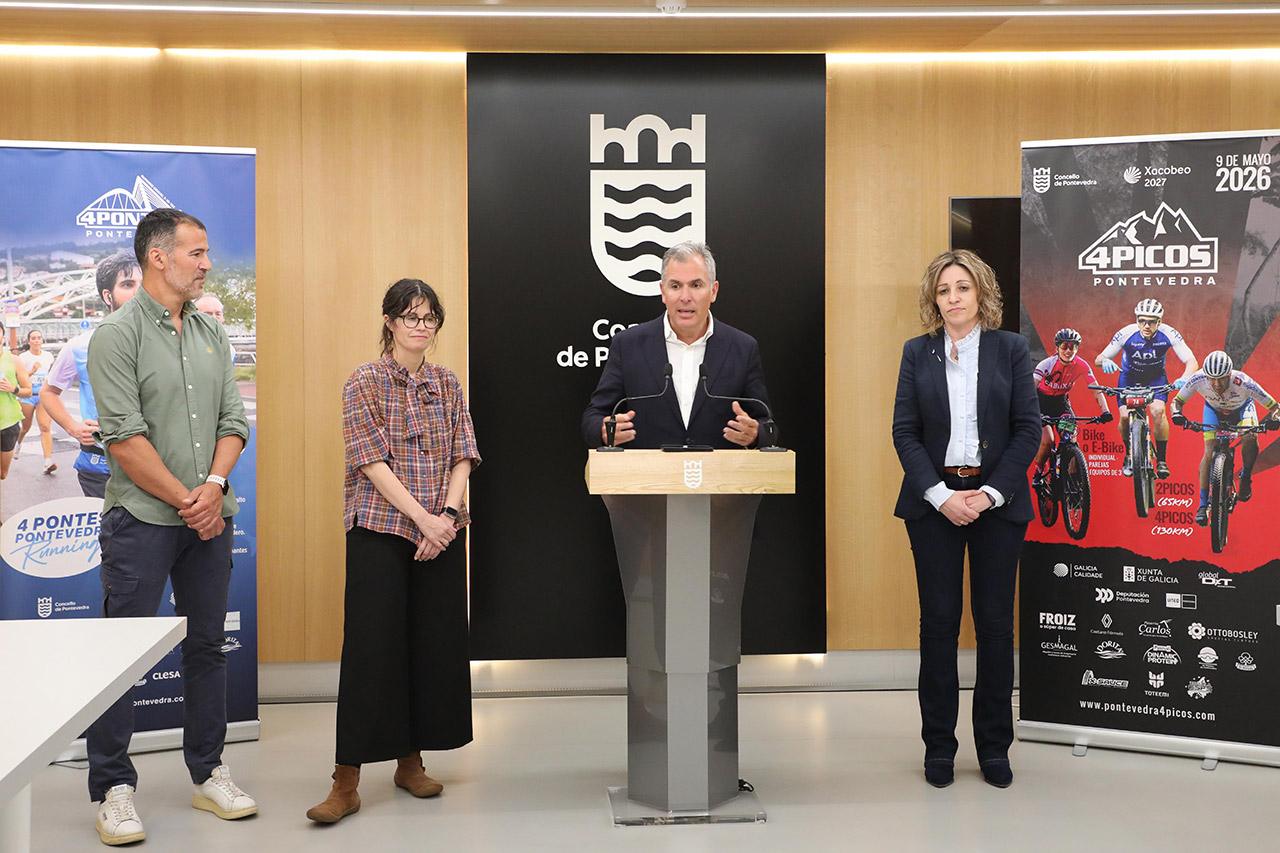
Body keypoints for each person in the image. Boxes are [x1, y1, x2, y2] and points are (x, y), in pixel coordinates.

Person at [85, 209, 254, 846]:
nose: (207, 264)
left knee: (207, 646)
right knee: (120, 657)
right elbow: (125, 440)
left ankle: (208, 772)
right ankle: (113, 788)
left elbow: (234, 422)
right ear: (159, 257)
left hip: (208, 517)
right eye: (197, 253)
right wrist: (191, 500)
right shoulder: (116, 335)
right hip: (142, 520)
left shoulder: (211, 332)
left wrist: (213, 488)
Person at [307, 278, 480, 825]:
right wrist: (422, 519)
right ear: (389, 321)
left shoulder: (447, 383)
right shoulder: (365, 380)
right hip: (381, 529)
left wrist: (446, 516)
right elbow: (370, 460)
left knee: (430, 646)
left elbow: (464, 453)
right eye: (410, 316)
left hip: (442, 532)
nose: (421, 327)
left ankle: (411, 762)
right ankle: (346, 780)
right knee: (371, 650)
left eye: (429, 318)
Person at [891, 249, 1040, 790]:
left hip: (996, 502)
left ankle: (994, 749)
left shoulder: (1011, 349)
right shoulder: (917, 352)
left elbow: (1028, 428)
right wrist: (940, 495)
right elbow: (905, 431)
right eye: (943, 290)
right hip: (934, 504)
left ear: (981, 293)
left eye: (962, 287)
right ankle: (939, 748)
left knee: (996, 626)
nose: (953, 298)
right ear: (934, 300)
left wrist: (991, 494)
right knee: (939, 624)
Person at [581, 241, 771, 449]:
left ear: (713, 291)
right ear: (663, 292)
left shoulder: (742, 348)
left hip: (718, 470)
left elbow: (767, 424)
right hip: (647, 470)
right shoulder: (628, 345)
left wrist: (756, 434)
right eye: (675, 286)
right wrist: (604, 431)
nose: (685, 297)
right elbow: (594, 415)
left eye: (696, 285)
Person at [41, 250, 143, 498]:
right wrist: (73, 427)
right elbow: (48, 392)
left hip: (162, 468)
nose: (139, 292)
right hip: (102, 470)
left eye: (145, 284)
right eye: (128, 284)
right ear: (108, 296)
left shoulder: (171, 341)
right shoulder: (80, 346)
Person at [1170, 350, 1279, 526]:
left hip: (1241, 410)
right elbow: (1177, 402)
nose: (1217, 384)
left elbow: (1275, 407)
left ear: (1229, 374)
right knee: (1208, 451)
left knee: (1250, 436)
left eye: (1221, 378)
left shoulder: (1243, 382)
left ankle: (1246, 476)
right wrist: (1176, 414)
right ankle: (1203, 505)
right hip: (1213, 411)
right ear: (1206, 375)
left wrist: (1276, 419)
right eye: (1212, 379)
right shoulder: (1198, 378)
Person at [1095, 299, 1198, 479]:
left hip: (1155, 378)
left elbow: (1192, 361)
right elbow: (1099, 358)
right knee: (1125, 416)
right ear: (1137, 320)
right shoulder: (1126, 333)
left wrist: (1184, 377)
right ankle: (1129, 454)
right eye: (1142, 321)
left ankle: (1162, 460)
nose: (1146, 326)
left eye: (1151, 322)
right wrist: (1105, 361)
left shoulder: (1169, 333)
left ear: (1159, 321)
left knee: (1158, 411)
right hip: (1129, 378)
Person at [1031, 328, 1112, 483]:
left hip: (1061, 403)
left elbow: (1095, 389)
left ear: (1077, 348)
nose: (1068, 350)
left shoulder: (1081, 365)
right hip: (1041, 402)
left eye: (1072, 346)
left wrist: (1105, 411)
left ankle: (1073, 481)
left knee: (1071, 439)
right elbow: (1030, 391)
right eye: (1064, 346)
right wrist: (1032, 412)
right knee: (1048, 441)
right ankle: (1038, 472)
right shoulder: (1046, 364)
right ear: (1057, 348)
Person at [15, 329, 58, 473]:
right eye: (33, 338)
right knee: (25, 427)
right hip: (27, 395)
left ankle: (48, 461)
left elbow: (52, 373)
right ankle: (18, 443)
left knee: (45, 427)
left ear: (42, 340)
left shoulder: (48, 356)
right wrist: (33, 370)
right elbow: (18, 378)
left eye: (39, 337)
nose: (37, 340)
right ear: (28, 341)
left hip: (43, 395)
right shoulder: (23, 358)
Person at [0, 320, 34, 480]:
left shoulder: (15, 361)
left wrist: (12, 389)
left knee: (2, 474)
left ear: (3, 338)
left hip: (8, 422)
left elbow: (28, 391)